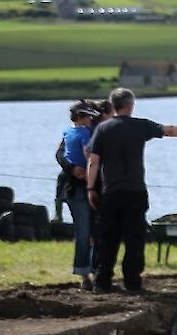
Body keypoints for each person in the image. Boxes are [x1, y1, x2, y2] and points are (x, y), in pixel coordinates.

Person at [85, 86, 177, 293]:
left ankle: (102, 282)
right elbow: (168, 130)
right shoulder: (140, 126)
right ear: (130, 105)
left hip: (111, 191)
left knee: (108, 238)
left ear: (113, 106)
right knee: (135, 238)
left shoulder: (103, 129)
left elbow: (93, 162)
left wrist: (90, 188)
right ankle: (132, 282)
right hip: (135, 191)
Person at [56, 100, 101, 287]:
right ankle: (88, 271)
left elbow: (62, 154)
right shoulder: (86, 133)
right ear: (85, 117)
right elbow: (89, 156)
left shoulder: (67, 132)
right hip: (84, 185)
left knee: (84, 231)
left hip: (72, 187)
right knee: (88, 232)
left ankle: (87, 272)